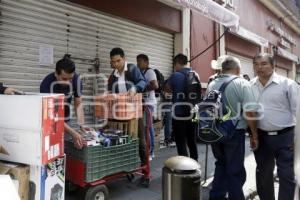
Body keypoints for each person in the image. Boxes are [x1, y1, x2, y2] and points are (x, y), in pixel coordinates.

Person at [208, 56, 258, 200]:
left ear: (222, 69)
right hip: (234, 133)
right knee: (235, 170)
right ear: (238, 69)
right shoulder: (242, 83)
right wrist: (254, 134)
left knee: (221, 165)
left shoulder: (212, 84)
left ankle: (216, 196)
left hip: (215, 131)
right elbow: (250, 112)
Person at [250, 53, 299, 200]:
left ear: (273, 65)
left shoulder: (288, 85)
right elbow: (249, 112)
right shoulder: (250, 85)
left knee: (286, 176)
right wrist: (254, 135)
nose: (259, 67)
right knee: (263, 175)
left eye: (264, 63)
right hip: (262, 137)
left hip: (286, 137)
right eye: (256, 64)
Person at [107, 48, 148, 166]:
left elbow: (142, 81)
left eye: (118, 61)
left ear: (124, 58)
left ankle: (144, 167)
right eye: (113, 62)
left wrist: (135, 88)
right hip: (119, 112)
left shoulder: (131, 69)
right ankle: (125, 165)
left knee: (140, 139)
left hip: (135, 111)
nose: (116, 64)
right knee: (122, 138)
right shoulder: (113, 75)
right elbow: (110, 91)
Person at [40, 54, 85, 149]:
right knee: (53, 149)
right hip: (50, 122)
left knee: (66, 149)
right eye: (64, 79)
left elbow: (78, 105)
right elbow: (52, 115)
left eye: (70, 79)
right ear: (56, 73)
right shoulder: (46, 84)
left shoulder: (77, 80)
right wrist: (73, 132)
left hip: (66, 120)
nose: (68, 82)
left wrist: (82, 127)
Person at [165, 53, 199, 161]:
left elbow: (167, 89)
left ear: (177, 63)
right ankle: (195, 162)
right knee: (191, 139)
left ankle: (186, 166)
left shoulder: (175, 75)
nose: (175, 68)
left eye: (175, 65)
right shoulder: (195, 75)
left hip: (179, 114)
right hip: (193, 112)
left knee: (181, 141)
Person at [137, 54, 158, 160]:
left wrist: (142, 89)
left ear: (146, 62)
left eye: (140, 61)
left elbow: (155, 85)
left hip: (149, 104)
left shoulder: (149, 72)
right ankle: (148, 150)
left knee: (148, 128)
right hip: (143, 104)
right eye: (137, 61)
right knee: (145, 128)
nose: (138, 63)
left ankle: (151, 152)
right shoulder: (140, 73)